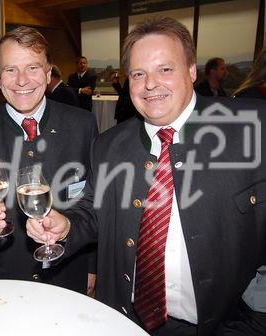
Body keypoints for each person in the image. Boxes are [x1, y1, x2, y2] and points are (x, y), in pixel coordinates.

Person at [26, 17, 266, 335]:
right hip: (126, 321)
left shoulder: (253, 128)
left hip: (223, 324)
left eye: (165, 69)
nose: (150, 84)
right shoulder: (109, 145)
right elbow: (93, 211)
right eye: (139, 74)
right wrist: (67, 224)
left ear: (192, 71)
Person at [0, 26, 98, 295]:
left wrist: (93, 265)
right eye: (10, 70)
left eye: (32, 68)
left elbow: (94, 201)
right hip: (5, 281)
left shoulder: (83, 125)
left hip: (69, 274)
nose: (22, 80)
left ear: (47, 73)